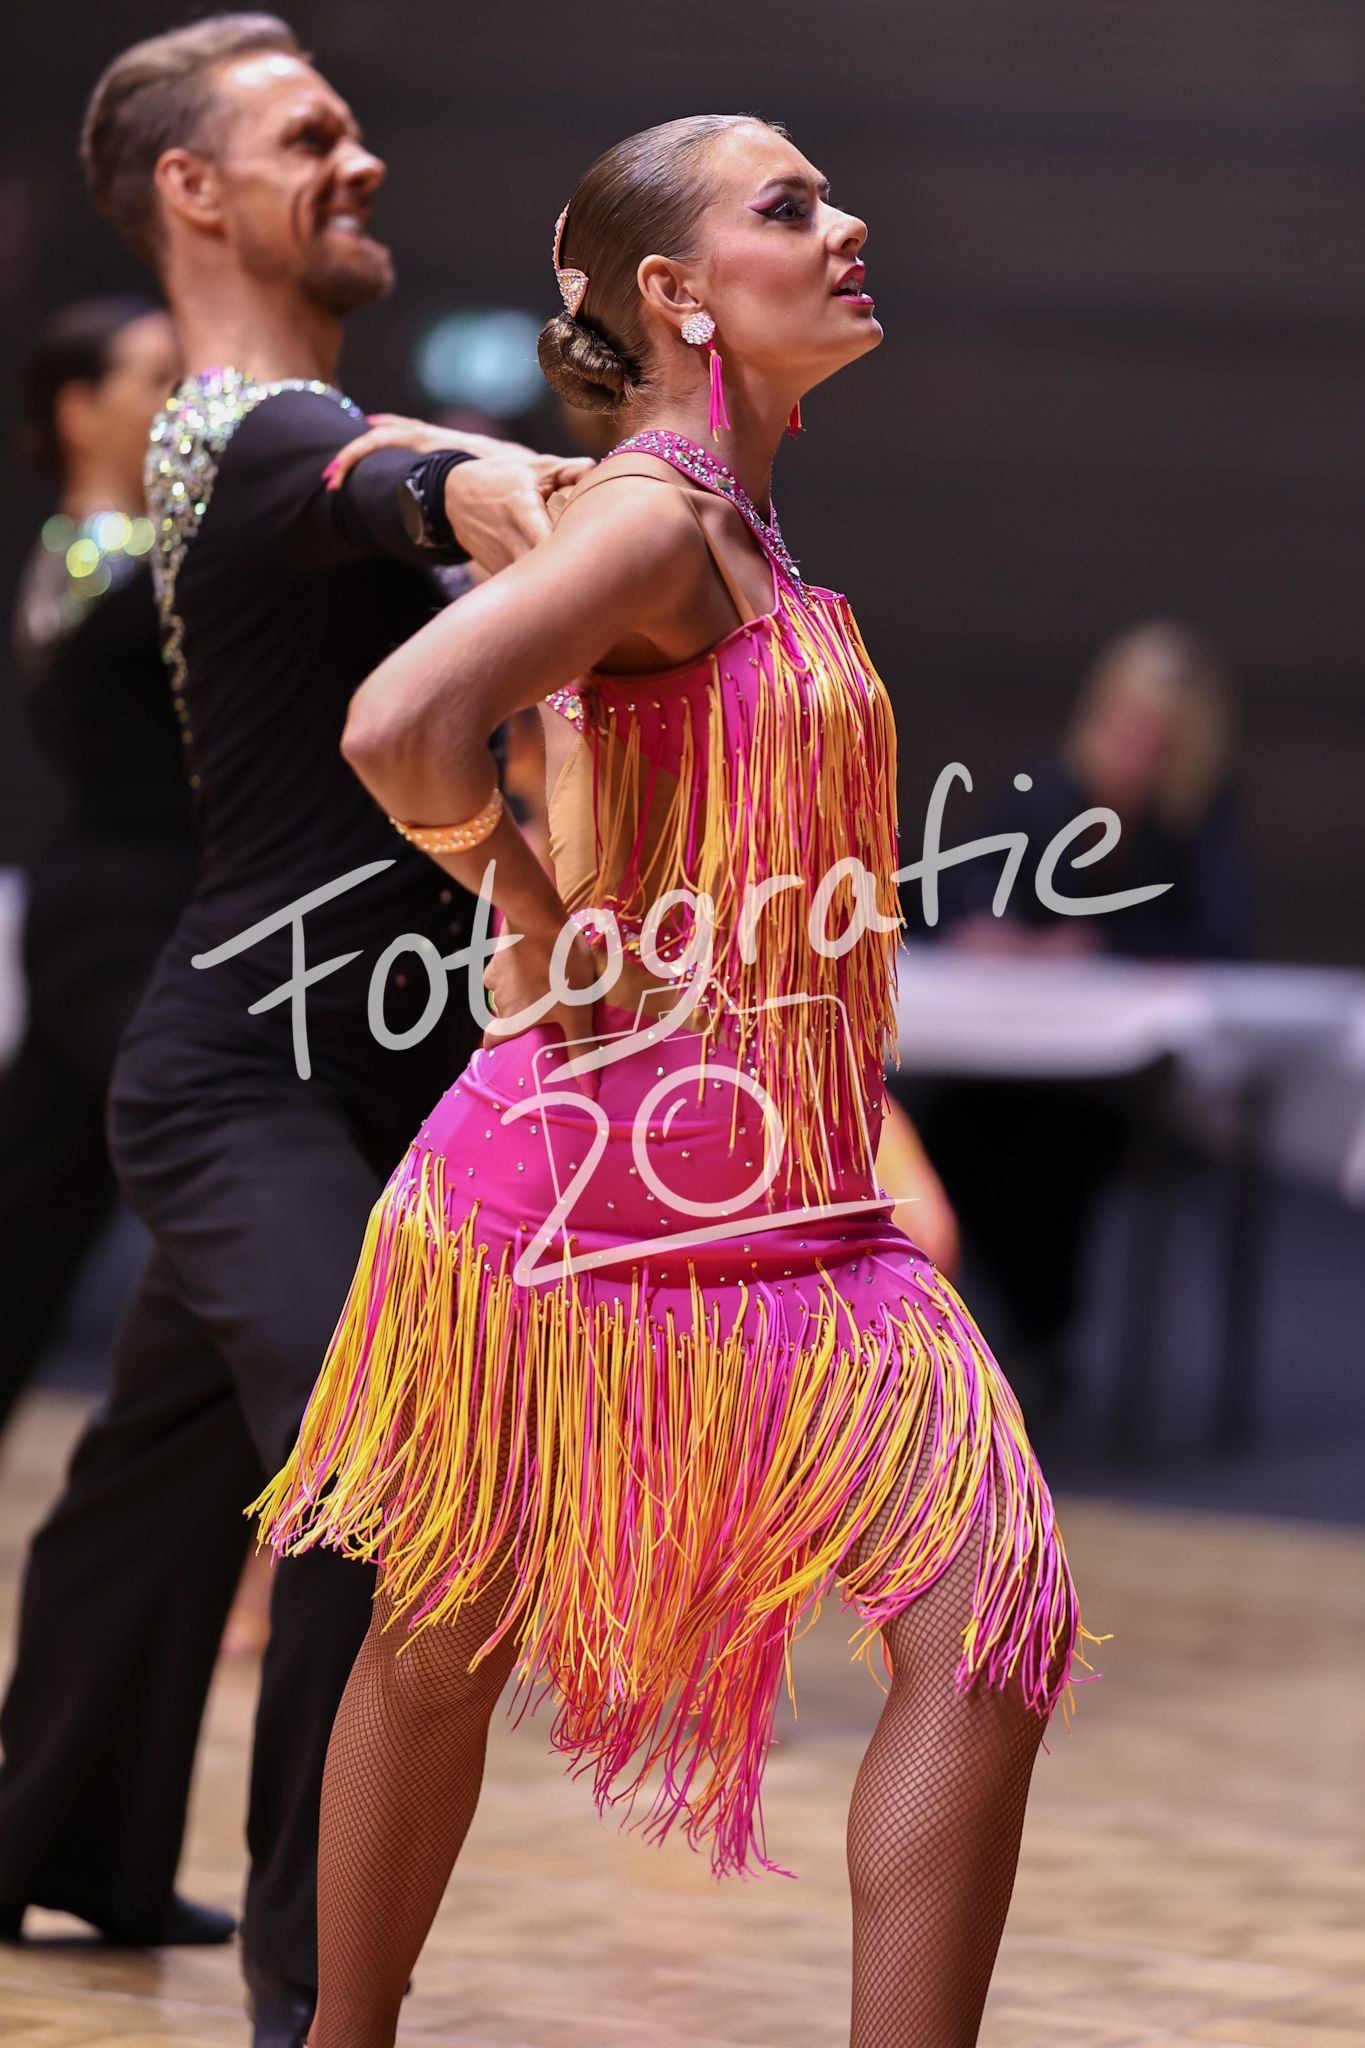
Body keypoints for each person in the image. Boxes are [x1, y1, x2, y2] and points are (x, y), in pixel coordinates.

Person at [252, 115, 1101, 2048]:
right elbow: (403, 721)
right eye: (790, 206)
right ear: (676, 291)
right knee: (442, 1636)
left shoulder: (729, 523)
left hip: (791, 1191)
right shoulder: (648, 518)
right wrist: (527, 902)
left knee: (992, 1626)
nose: (848, 221)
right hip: (577, 1182)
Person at [0, 18, 586, 2046]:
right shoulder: (242, 433)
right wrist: (523, 497)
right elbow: (411, 485)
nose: (362, 159)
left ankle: (52, 1830)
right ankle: (318, 1993)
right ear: (192, 189)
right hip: (240, 1070)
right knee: (395, 1463)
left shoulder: (299, 418)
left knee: (160, 1463)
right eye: (306, 135)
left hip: (376, 1073)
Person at [916, 622, 1253, 1413]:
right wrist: (995, 934)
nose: (1134, 749)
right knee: (952, 1139)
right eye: (1125, 724)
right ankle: (984, 1340)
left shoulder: (1191, 823)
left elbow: (1218, 940)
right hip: (1002, 1062)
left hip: (1120, 1080)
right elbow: (947, 894)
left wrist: (1097, 944)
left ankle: (1037, 1341)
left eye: (1157, 737)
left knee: (1053, 1153)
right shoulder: (1045, 797)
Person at [0, 297, 191, 1440]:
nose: (187, 403)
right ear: (80, 410)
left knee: (27, 1214)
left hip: (127, 921)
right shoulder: (96, 565)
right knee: (225, 1171)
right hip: (114, 932)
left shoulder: (126, 563)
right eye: (160, 380)